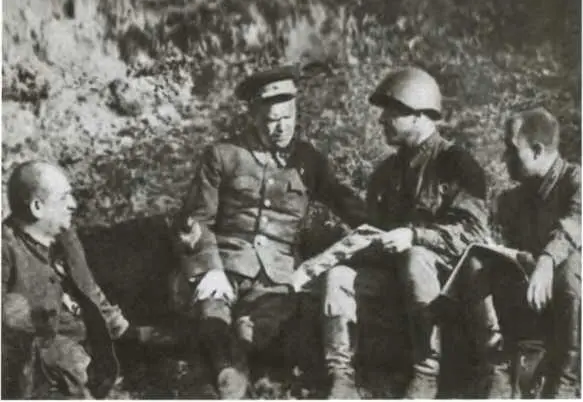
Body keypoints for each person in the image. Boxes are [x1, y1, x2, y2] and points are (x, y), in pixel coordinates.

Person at [170, 65, 367, 399]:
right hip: (227, 265)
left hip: (277, 275)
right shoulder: (224, 155)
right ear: (253, 116)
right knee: (212, 314)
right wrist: (210, 268)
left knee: (261, 330)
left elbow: (345, 203)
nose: (281, 128)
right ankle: (228, 375)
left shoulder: (308, 160)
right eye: (271, 120)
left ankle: (234, 364)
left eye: (288, 117)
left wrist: (390, 228)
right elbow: (196, 220)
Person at [322, 67, 495, 398]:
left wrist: (414, 236)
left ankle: (427, 372)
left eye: (392, 112)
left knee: (416, 258)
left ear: (418, 114)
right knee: (338, 277)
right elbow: (375, 229)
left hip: (447, 284)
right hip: (396, 281)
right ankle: (341, 378)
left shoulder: (456, 164)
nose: (382, 120)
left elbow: (473, 233)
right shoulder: (386, 173)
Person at [456, 108, 581, 398]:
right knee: (478, 263)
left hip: (572, 291)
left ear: (536, 151)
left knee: (571, 267)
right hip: (533, 297)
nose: (504, 158)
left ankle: (568, 380)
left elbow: (577, 224)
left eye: (512, 150)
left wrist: (547, 260)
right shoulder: (513, 198)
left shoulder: (576, 181)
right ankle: (498, 362)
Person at [1, 161, 141, 398]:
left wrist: (121, 327)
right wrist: (57, 355)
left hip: (88, 357)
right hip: (40, 376)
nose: (73, 204)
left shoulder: (65, 237)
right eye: (64, 198)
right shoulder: (6, 252)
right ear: (37, 207)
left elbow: (88, 289)